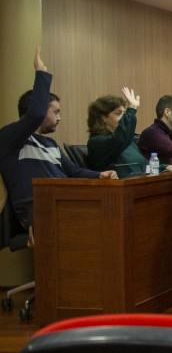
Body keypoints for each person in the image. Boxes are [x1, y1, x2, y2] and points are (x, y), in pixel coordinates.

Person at [0, 47, 115, 230]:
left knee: (114, 212)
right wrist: (41, 73)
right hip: (40, 208)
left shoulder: (50, 143)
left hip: (65, 201)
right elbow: (36, 115)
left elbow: (73, 172)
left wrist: (99, 175)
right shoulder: (10, 138)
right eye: (55, 112)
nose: (59, 118)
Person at [86, 86, 147, 177]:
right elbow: (119, 139)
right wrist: (132, 108)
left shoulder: (128, 141)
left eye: (124, 113)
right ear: (103, 117)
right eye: (118, 113)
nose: (123, 117)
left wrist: (164, 167)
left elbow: (144, 166)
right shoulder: (96, 142)